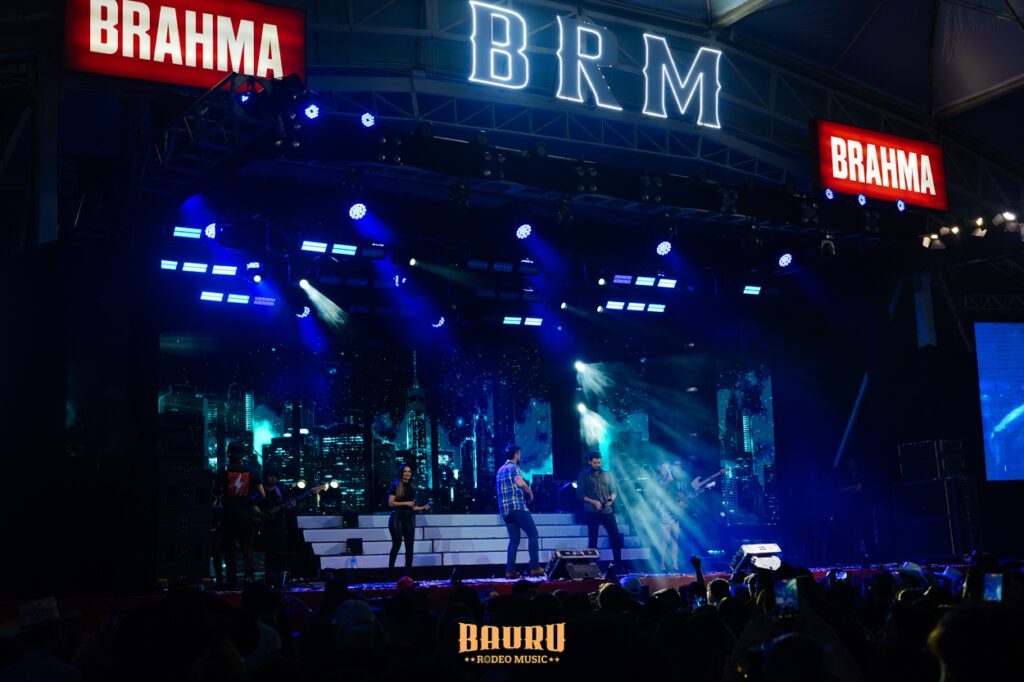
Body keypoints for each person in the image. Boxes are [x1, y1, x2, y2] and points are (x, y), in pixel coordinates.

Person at [213, 441, 264, 588]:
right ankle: (249, 579)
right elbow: (262, 495)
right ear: (243, 454)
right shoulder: (253, 472)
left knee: (229, 550)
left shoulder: (223, 471)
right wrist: (250, 502)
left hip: (228, 516)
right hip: (247, 516)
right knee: (248, 548)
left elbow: (216, 493)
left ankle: (231, 581)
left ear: (228, 454)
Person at [496, 444, 544, 579]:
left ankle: (510, 571)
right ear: (516, 454)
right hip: (517, 507)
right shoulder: (514, 468)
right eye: (519, 454)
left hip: (505, 511)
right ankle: (535, 567)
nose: (520, 456)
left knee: (514, 540)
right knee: (533, 534)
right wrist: (530, 492)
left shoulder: (500, 470)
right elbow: (520, 483)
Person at [576, 451, 623, 569]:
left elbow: (614, 490)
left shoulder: (607, 474)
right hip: (592, 510)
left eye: (599, 462)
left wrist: (611, 499)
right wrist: (594, 502)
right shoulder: (584, 475)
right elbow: (579, 495)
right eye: (595, 463)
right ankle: (592, 565)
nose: (597, 465)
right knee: (593, 538)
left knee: (615, 536)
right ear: (590, 462)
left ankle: (618, 564)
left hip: (607, 510)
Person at [387, 464, 431, 570]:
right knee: (397, 545)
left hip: (409, 518)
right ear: (401, 473)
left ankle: (408, 574)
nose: (407, 473)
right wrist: (406, 503)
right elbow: (391, 503)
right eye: (405, 471)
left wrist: (422, 507)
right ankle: (391, 571)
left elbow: (412, 506)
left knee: (410, 546)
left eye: (409, 471)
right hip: (397, 518)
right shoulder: (396, 486)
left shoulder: (412, 488)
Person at [259, 469, 289, 582]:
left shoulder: (280, 491)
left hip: (279, 526)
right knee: (268, 553)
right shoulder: (260, 490)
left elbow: (286, 505)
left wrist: (290, 506)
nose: (273, 478)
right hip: (265, 526)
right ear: (265, 478)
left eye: (275, 476)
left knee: (281, 552)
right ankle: (269, 576)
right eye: (271, 476)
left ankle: (281, 576)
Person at [654, 460, 681, 572]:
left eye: (668, 468)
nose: (667, 469)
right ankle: (661, 563)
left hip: (673, 510)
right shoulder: (660, 481)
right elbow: (669, 479)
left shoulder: (673, 482)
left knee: (676, 539)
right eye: (665, 468)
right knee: (665, 538)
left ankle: (675, 562)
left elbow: (676, 495)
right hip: (664, 511)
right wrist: (668, 470)